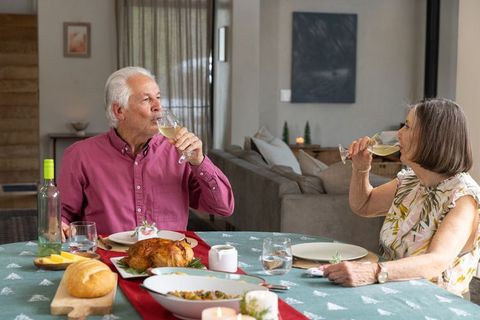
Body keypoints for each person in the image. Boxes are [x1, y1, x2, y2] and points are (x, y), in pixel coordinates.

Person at [320, 98, 480, 297]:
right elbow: (364, 205)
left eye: (407, 126)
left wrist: (372, 272)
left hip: (433, 304)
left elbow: (436, 261)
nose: (399, 133)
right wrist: (361, 168)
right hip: (391, 292)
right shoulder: (411, 182)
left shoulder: (463, 196)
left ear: (432, 137)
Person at [59, 66, 234, 236]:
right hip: (107, 259)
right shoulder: (80, 155)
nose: (158, 106)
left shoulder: (178, 152)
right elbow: (63, 215)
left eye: (158, 97)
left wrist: (199, 162)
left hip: (167, 260)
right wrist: (59, 224)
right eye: (147, 99)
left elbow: (223, 207)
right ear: (119, 111)